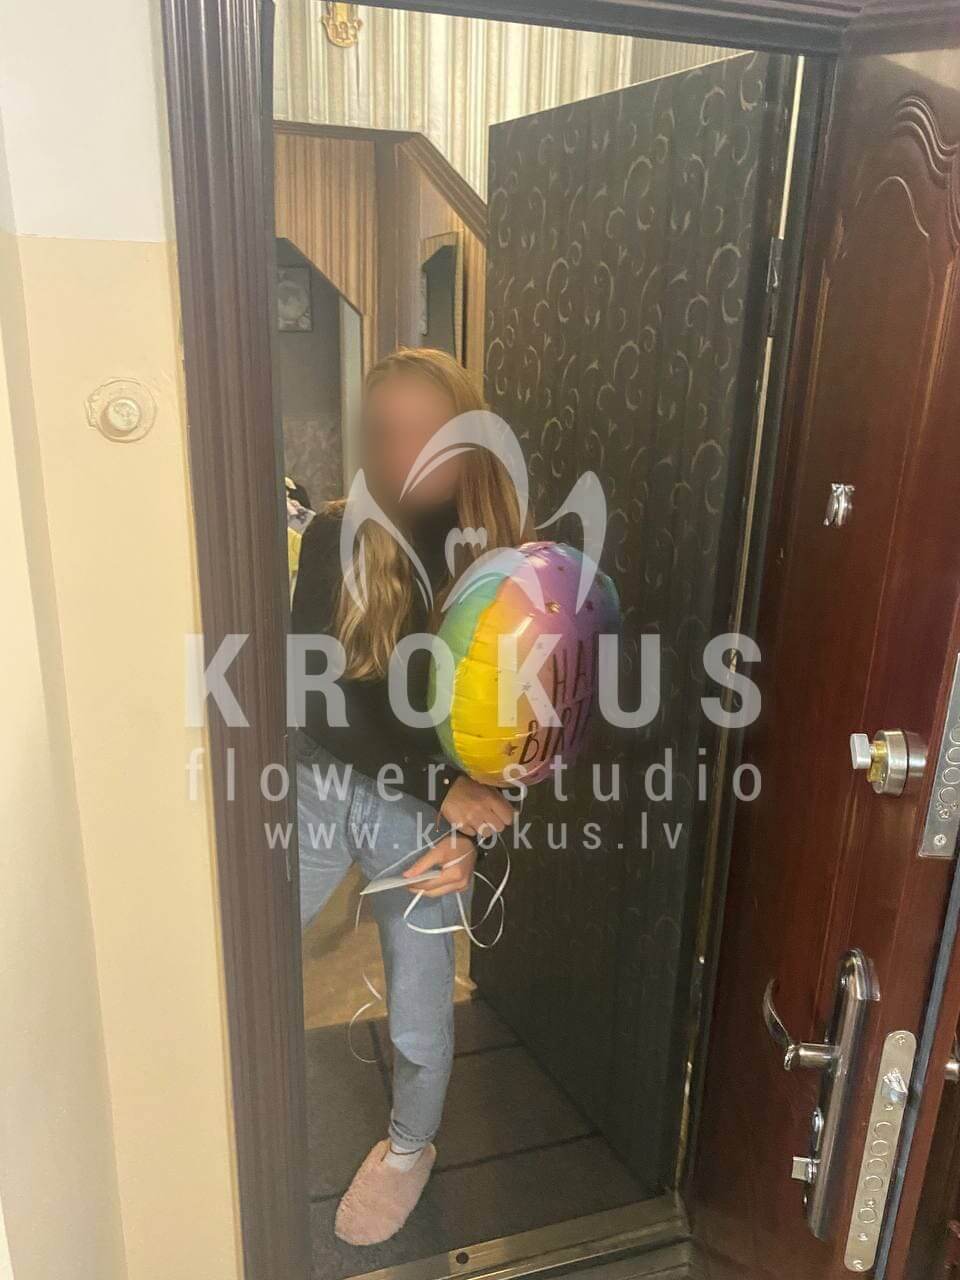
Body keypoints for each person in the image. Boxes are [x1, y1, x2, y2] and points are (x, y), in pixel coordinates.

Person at [291, 347, 532, 1245]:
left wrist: (476, 826)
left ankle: (409, 1148)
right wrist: (442, 786)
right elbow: (316, 697)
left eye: (428, 432)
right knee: (243, 958)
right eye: (386, 433)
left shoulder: (512, 564)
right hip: (322, 778)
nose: (405, 456)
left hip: (421, 817)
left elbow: (526, 722)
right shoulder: (335, 534)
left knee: (422, 1011)